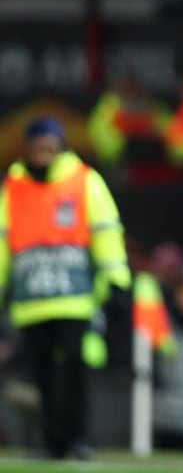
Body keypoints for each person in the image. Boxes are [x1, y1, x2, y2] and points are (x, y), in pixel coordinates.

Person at [0, 117, 131, 459]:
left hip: (75, 297)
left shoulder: (84, 180)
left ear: (60, 146)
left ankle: (78, 438)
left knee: (74, 367)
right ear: (27, 147)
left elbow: (105, 231)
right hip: (31, 300)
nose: (44, 151)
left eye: (50, 143)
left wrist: (117, 281)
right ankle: (53, 442)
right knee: (42, 373)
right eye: (38, 144)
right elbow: (1, 243)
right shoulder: (13, 187)